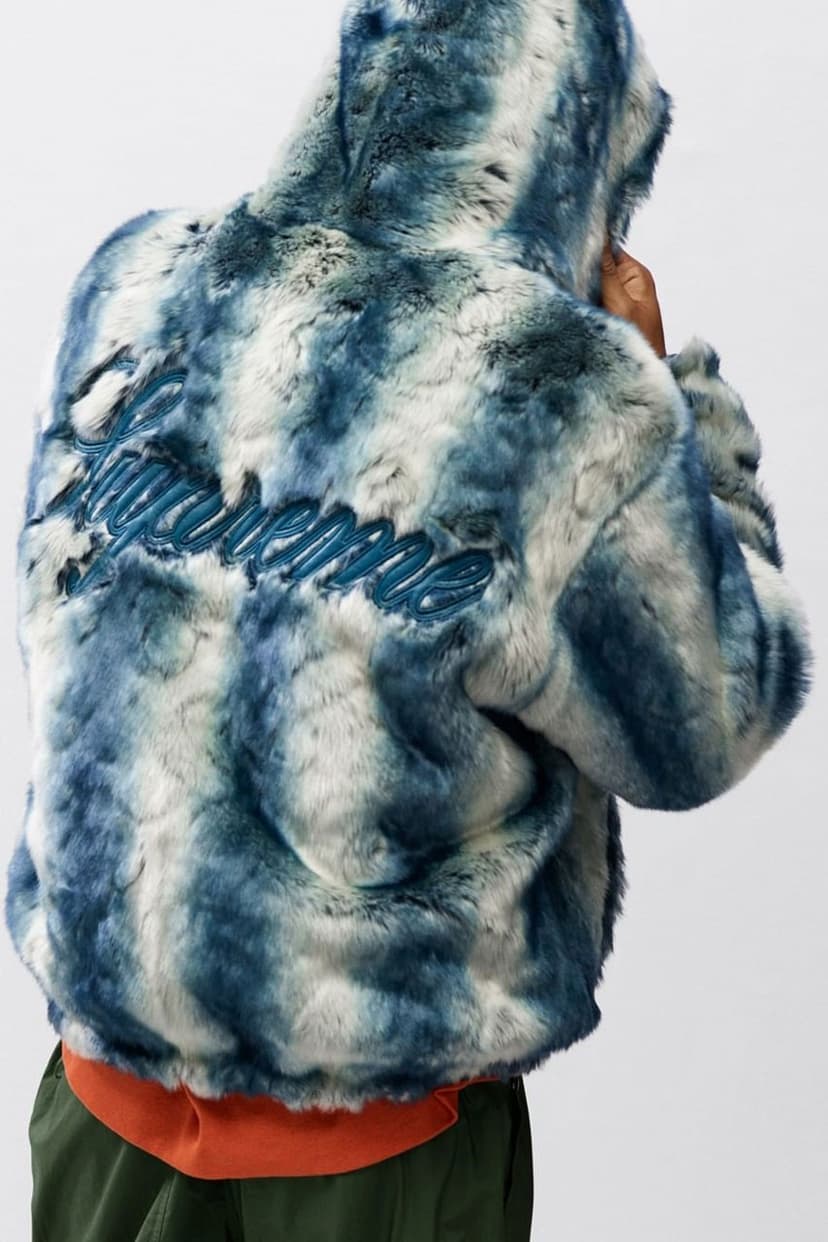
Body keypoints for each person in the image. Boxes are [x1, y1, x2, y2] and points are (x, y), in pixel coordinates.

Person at [6, 1, 811, 1239]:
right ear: (580, 149)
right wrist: (675, 413)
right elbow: (709, 718)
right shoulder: (558, 394)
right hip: (374, 1155)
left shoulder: (134, 284)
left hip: (95, 1111)